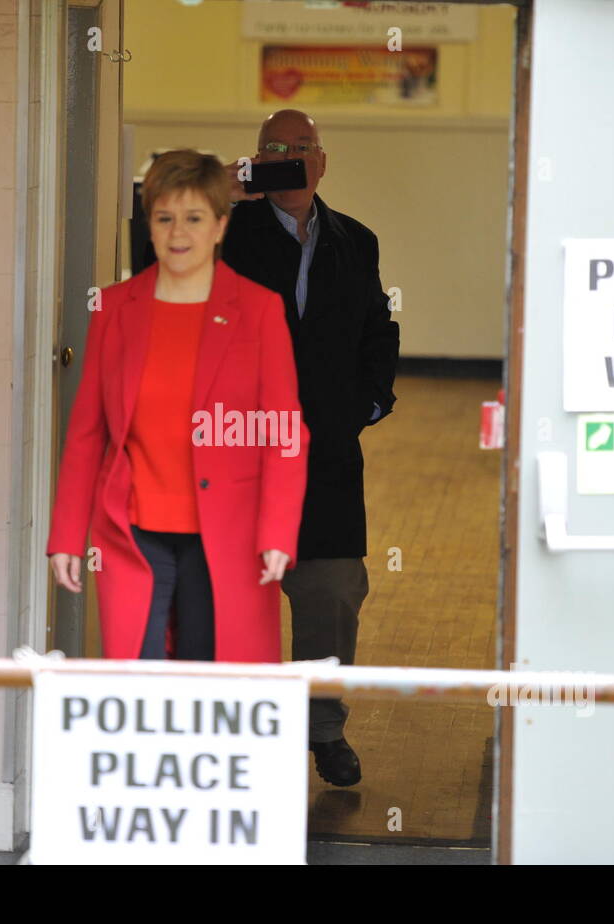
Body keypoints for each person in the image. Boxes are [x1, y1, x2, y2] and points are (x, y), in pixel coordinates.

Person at [46, 149, 308, 663]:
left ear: (220, 226)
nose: (178, 233)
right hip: (134, 533)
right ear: (149, 225)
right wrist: (65, 537)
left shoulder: (258, 309)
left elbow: (284, 433)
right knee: (139, 682)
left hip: (229, 537)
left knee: (211, 682)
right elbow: (86, 434)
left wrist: (278, 530)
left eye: (194, 218)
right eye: (164, 218)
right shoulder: (115, 308)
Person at [223, 110, 399, 785]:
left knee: (331, 589)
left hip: (325, 449)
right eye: (274, 150)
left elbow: (377, 328)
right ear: (257, 163)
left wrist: (369, 402)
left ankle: (323, 728)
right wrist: (224, 202)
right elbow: (160, 276)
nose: (290, 161)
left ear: (322, 162)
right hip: (237, 446)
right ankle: (243, 734)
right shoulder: (222, 233)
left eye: (300, 150)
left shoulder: (357, 241)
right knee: (239, 591)